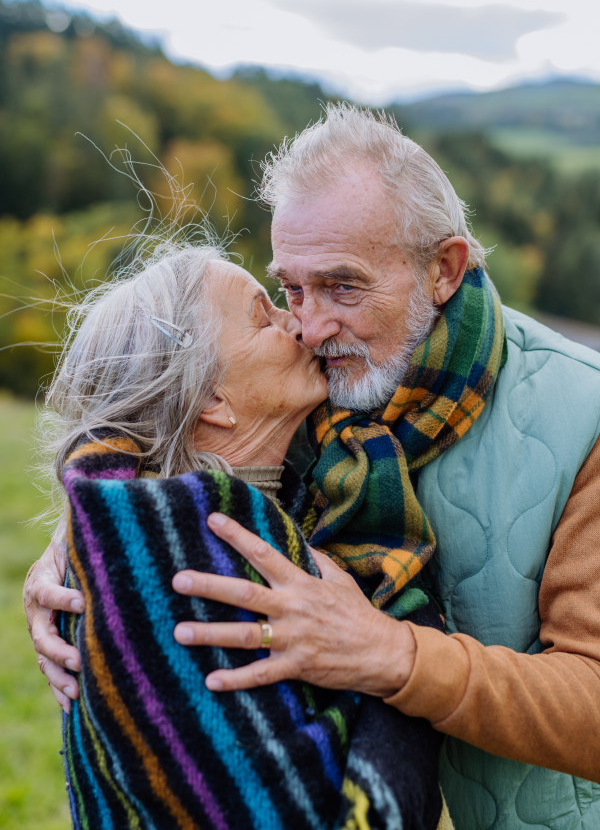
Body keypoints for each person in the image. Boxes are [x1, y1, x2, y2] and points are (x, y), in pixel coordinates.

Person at [26, 104, 600, 829]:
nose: (309, 325)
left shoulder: (584, 417)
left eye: (344, 287)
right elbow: (177, 441)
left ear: (444, 269)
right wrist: (82, 553)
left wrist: (389, 653)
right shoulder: (316, 391)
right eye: (289, 291)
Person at [29, 241, 449, 829]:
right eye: (265, 315)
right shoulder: (175, 562)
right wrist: (389, 650)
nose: (299, 324)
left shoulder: (287, 505)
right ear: (212, 401)